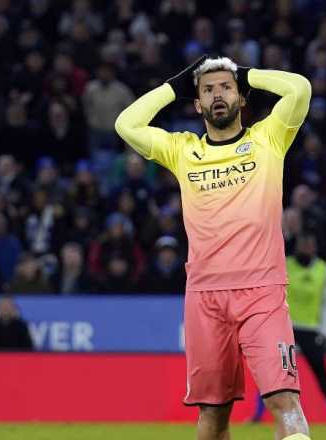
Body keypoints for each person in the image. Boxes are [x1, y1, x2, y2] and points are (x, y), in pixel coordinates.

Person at [114, 55, 312, 440]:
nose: (217, 94)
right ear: (197, 104)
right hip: (205, 296)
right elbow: (126, 124)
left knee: (285, 400)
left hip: (263, 292)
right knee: (212, 414)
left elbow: (299, 88)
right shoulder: (182, 150)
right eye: (207, 90)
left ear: (242, 99)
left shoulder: (268, 138)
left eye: (226, 87)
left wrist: (246, 73)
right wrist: (176, 83)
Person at [251, 233, 326, 423]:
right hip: (285, 328)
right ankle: (257, 415)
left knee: (321, 372)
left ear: (315, 247)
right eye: (303, 245)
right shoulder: (284, 264)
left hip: (311, 330)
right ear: (298, 246)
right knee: (275, 373)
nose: (306, 249)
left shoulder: (324, 270)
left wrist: (325, 332)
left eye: (310, 245)